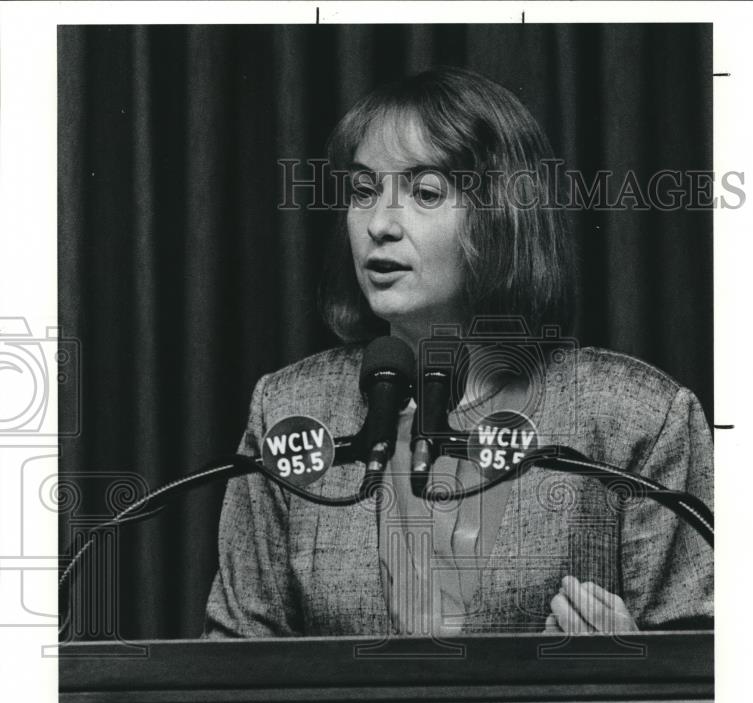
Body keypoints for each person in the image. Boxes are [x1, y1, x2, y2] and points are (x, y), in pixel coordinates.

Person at [204, 66, 713, 639]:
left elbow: (709, 678)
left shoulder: (636, 418)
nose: (379, 225)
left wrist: (632, 673)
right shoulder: (293, 411)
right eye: (364, 190)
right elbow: (233, 665)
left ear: (503, 216)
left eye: (424, 192)